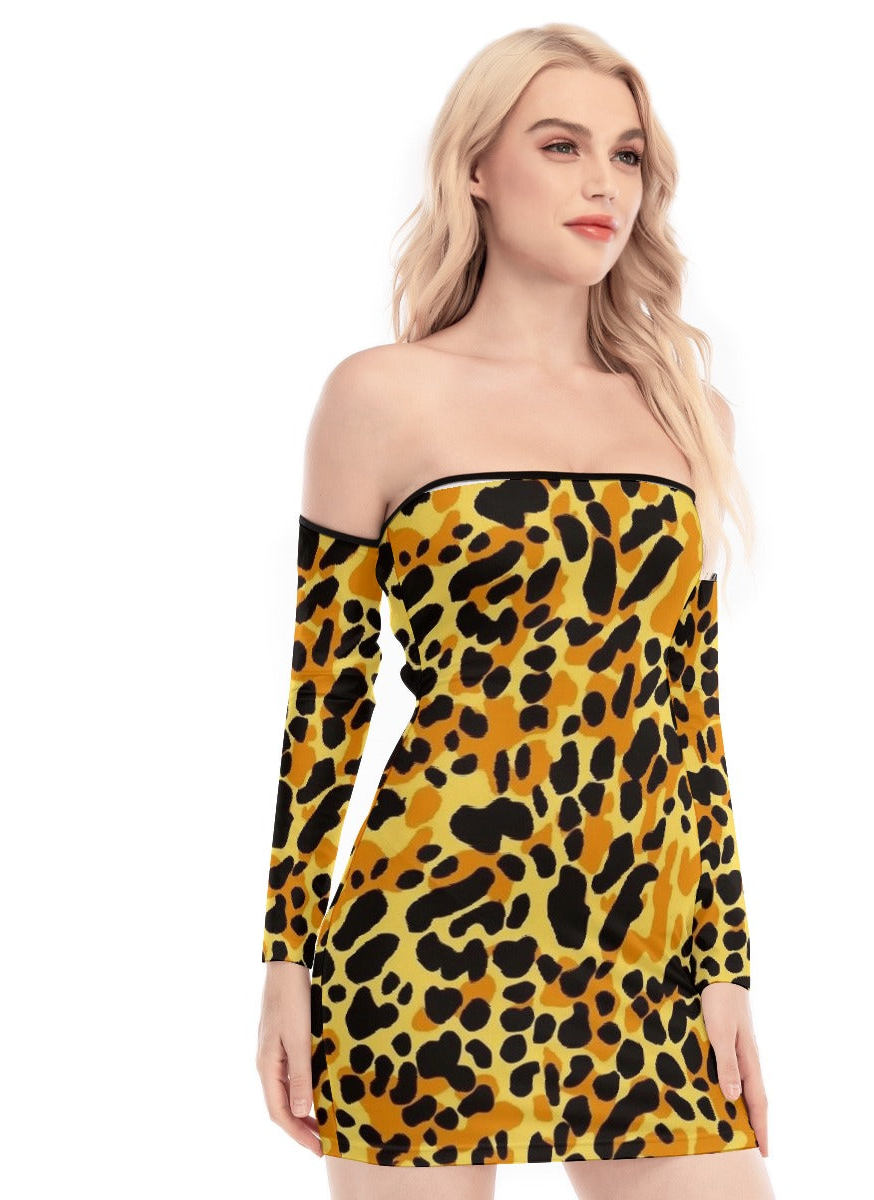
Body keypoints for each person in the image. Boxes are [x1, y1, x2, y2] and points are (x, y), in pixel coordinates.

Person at [256, 23, 776, 1200]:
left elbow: (691, 718)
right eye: (561, 145)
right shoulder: (380, 398)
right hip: (424, 944)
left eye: (627, 155)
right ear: (477, 169)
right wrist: (287, 962)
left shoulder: (687, 416)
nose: (604, 184)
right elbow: (326, 708)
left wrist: (728, 969)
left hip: (645, 958)